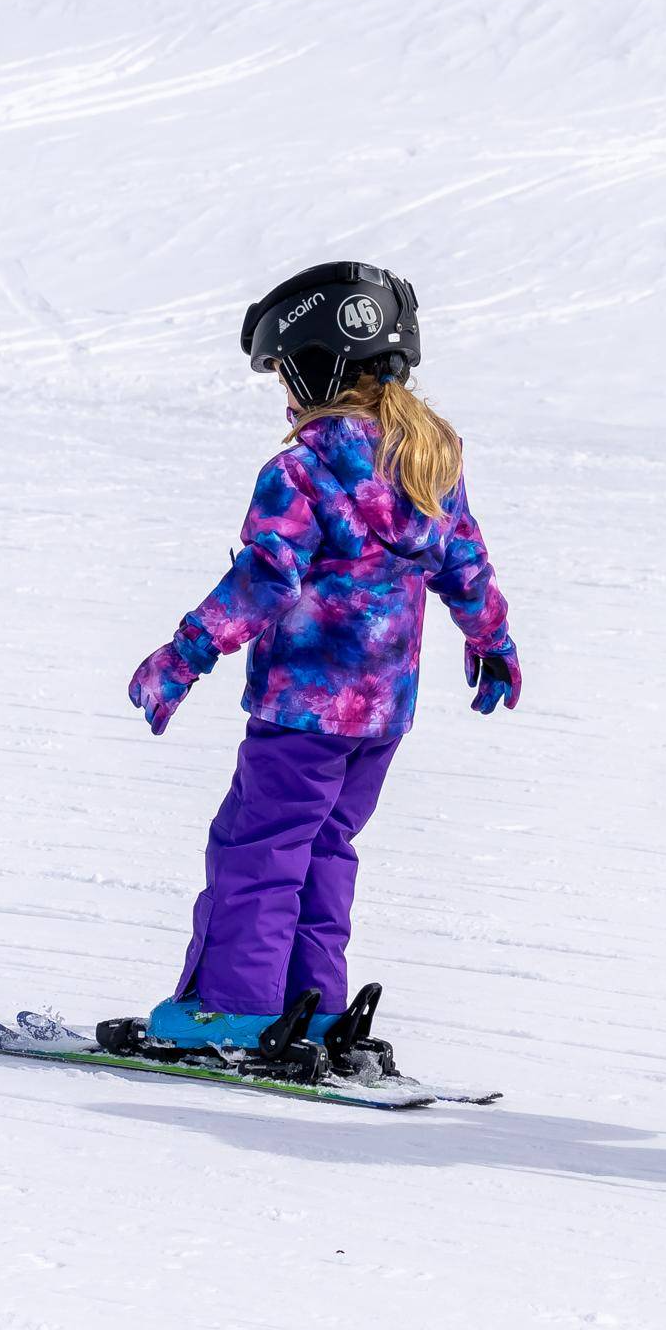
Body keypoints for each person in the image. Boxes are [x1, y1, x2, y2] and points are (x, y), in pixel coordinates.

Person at [126, 261, 519, 1051]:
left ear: (320, 364)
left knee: (260, 846)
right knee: (326, 848)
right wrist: (492, 640)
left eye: (286, 369)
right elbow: (464, 561)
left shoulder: (302, 468)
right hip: (382, 714)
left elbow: (267, 577)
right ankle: (313, 1006)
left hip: (303, 711)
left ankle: (230, 1010)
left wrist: (184, 654)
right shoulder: (430, 460)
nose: (284, 390)